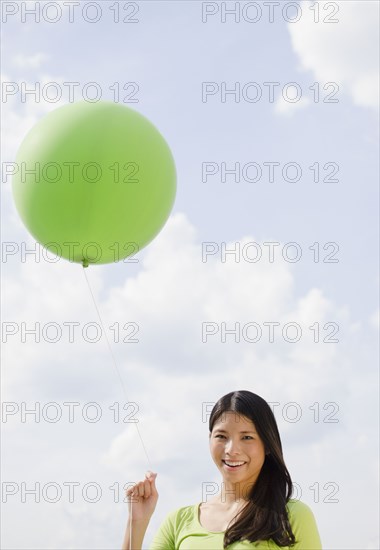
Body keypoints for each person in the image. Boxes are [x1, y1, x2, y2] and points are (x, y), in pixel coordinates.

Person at [122, 390, 322, 549]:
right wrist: (136, 520)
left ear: (267, 445)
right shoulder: (178, 522)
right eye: (221, 436)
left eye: (247, 437)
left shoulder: (292, 516)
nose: (232, 450)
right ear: (209, 439)